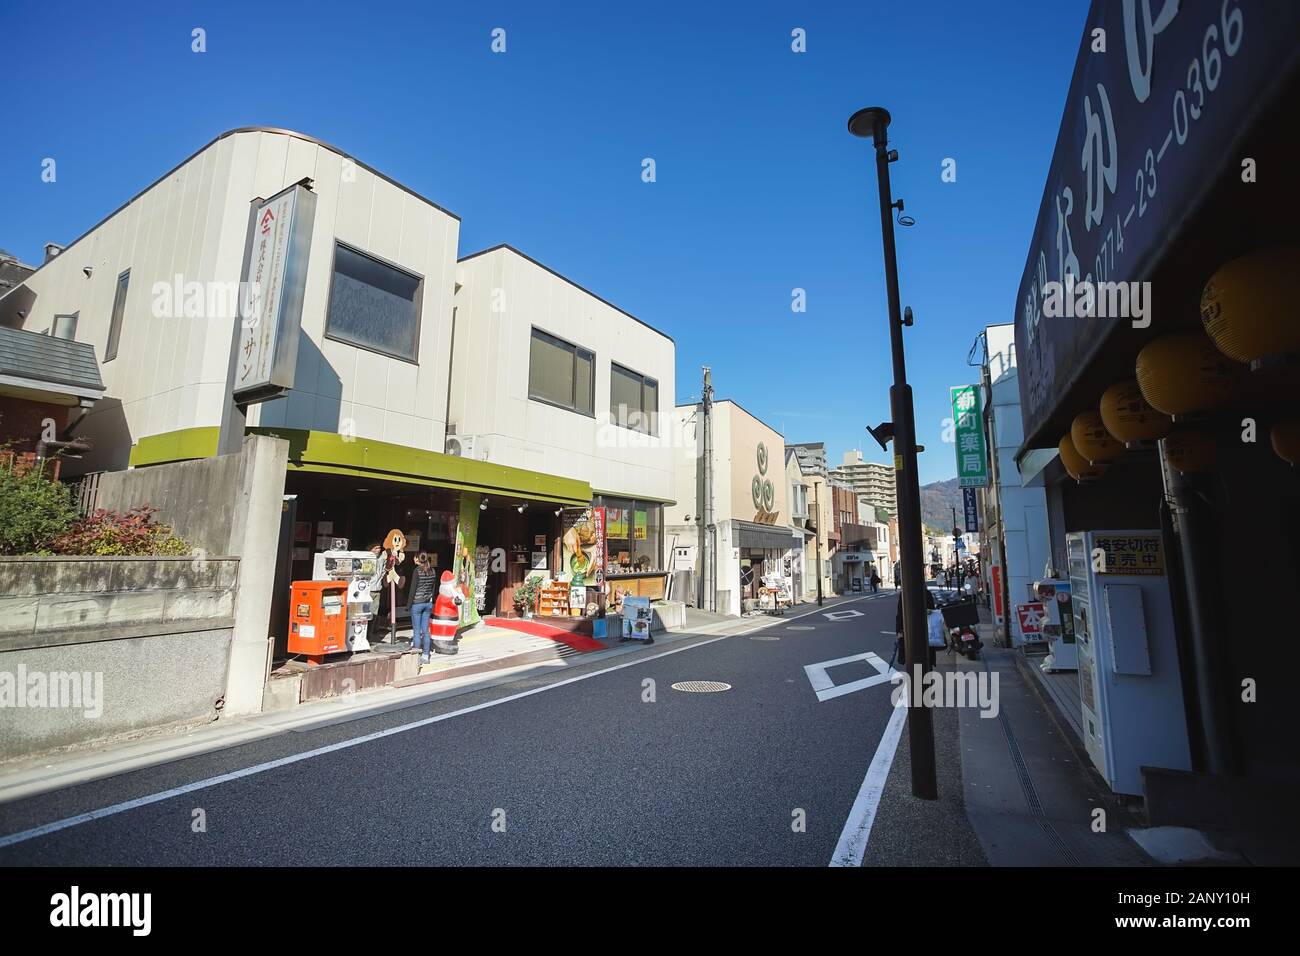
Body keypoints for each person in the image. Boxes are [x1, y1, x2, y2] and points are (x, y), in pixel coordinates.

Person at [893, 586, 937, 668]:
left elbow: (900, 614)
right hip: (926, 631)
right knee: (926, 659)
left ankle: (917, 678)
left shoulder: (904, 594)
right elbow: (932, 612)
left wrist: (899, 630)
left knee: (912, 657)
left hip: (910, 632)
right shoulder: (927, 593)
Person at [406, 552, 436, 663]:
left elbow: (413, 589)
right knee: (426, 631)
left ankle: (416, 656)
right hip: (428, 603)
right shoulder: (432, 571)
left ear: (417, 559)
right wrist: (431, 600)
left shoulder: (417, 571)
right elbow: (433, 589)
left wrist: (408, 605)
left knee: (416, 631)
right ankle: (425, 655)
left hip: (417, 604)